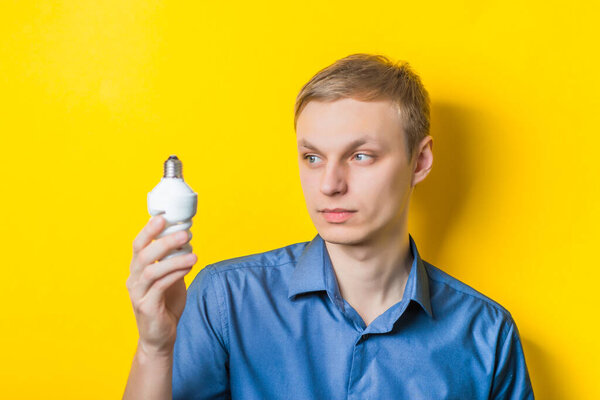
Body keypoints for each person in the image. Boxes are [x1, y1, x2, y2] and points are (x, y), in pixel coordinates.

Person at [123, 53, 534, 399]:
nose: (329, 185)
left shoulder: (486, 335)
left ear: (420, 161)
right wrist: (154, 350)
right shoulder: (225, 299)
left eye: (361, 156)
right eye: (313, 157)